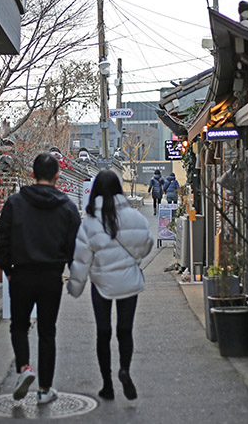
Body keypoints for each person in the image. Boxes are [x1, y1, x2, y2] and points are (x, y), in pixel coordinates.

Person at [0, 153, 81, 404]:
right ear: (57, 175)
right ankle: (45, 390)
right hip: (51, 277)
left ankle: (23, 369)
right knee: (47, 331)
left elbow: (2, 239)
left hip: (21, 274)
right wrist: (67, 268)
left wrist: (7, 269)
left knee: (19, 325)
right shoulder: (67, 206)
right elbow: (73, 245)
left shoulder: (15, 203)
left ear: (32, 174)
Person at [67, 170, 154, 401]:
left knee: (103, 332)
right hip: (129, 281)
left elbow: (81, 259)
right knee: (125, 330)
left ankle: (107, 385)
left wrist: (75, 287)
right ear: (119, 190)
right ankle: (124, 369)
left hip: (102, 284)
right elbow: (147, 244)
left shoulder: (90, 223)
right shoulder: (135, 217)